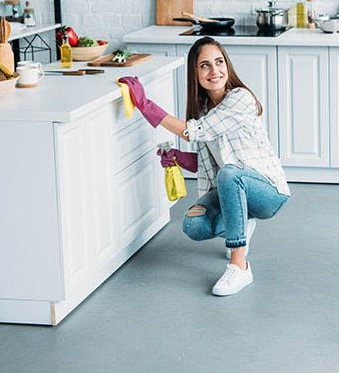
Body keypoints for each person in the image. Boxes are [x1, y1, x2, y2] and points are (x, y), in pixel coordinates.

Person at [119, 37, 290, 296]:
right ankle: (242, 225)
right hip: (233, 184)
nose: (214, 71)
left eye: (219, 62)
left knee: (231, 174)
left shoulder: (240, 98)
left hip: (269, 193)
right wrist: (178, 158)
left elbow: (196, 133)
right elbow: (210, 164)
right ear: (195, 73)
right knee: (193, 225)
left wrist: (146, 105)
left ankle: (240, 265)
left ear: (227, 66)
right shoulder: (203, 110)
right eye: (205, 65)